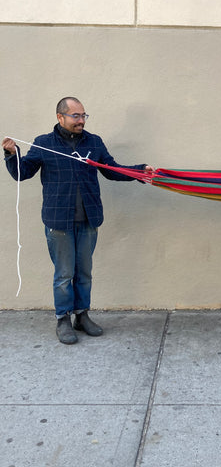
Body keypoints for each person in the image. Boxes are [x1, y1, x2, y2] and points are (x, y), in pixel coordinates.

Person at [2, 97, 152, 345]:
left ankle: (82, 317)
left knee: (84, 273)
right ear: (60, 117)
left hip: (88, 220)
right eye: (75, 116)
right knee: (63, 274)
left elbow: (111, 170)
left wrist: (138, 171)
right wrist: (11, 154)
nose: (81, 120)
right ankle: (63, 320)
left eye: (83, 115)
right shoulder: (43, 143)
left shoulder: (93, 142)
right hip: (58, 222)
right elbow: (22, 172)